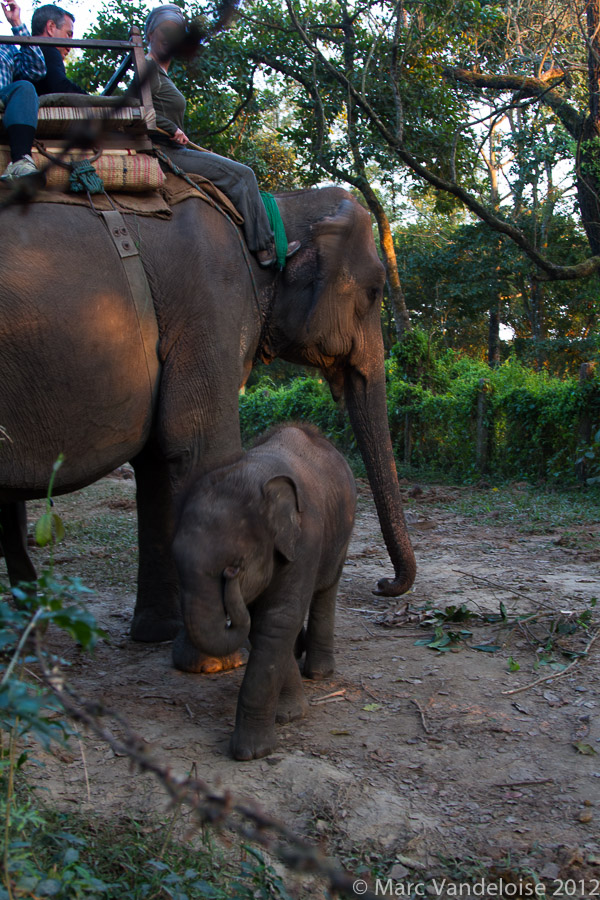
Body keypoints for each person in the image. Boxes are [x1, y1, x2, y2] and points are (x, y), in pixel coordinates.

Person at [145, 4, 299, 267]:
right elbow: (137, 109)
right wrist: (170, 128)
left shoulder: (162, 74)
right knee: (243, 175)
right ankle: (264, 248)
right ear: (150, 34)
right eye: (163, 30)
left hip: (174, 149)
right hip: (164, 152)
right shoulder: (147, 67)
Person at [0, 0, 46, 181]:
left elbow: (37, 69)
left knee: (25, 87)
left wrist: (16, 23)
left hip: (3, 95)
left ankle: (20, 162)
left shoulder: (6, 46)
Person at [30, 4, 87, 95]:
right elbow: (61, 87)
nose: (69, 47)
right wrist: (96, 102)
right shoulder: (48, 50)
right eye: (68, 34)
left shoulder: (24, 55)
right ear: (51, 27)